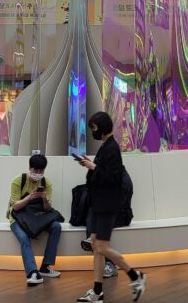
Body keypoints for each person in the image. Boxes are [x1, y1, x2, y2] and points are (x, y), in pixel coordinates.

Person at [75, 111, 147, 302]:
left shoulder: (112, 148)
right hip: (100, 204)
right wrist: (91, 166)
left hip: (106, 206)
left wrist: (93, 168)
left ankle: (134, 275)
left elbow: (113, 179)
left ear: (100, 127)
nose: (93, 132)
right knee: (97, 248)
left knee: (101, 247)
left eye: (94, 128)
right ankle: (97, 291)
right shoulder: (106, 146)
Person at [9, 153, 63, 286]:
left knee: (56, 226)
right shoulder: (18, 181)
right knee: (23, 237)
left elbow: (47, 210)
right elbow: (15, 207)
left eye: (41, 171)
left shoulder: (46, 183)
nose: (38, 173)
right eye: (35, 170)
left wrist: (44, 199)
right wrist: (29, 197)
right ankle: (32, 272)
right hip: (18, 218)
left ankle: (45, 266)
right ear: (30, 168)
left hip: (37, 217)